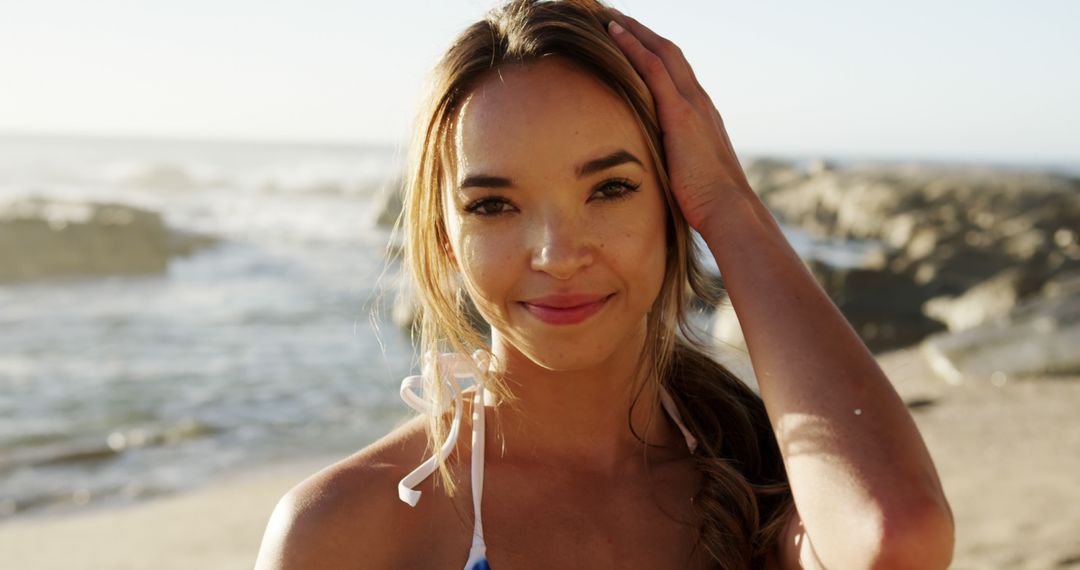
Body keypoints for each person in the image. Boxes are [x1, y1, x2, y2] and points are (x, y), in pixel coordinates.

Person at [255, 1, 954, 568]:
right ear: (444, 237)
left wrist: (732, 208)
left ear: (675, 204)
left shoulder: (775, 484)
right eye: (494, 204)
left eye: (611, 188)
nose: (558, 255)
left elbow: (897, 540)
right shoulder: (347, 531)